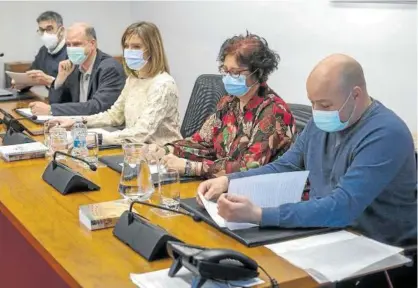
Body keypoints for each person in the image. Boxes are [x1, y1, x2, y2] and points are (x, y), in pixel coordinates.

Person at [197, 54, 417, 287]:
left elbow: (342, 206)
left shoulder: (385, 134)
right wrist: (229, 181)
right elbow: (287, 164)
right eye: (312, 102)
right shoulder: (323, 122)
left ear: (356, 95)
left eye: (325, 105)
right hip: (327, 235)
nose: (316, 111)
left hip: (382, 257)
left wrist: (259, 215)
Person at [149, 32, 295, 178]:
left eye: (235, 72)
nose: (228, 77)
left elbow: (249, 169)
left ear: (258, 72)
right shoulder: (229, 102)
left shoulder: (274, 112)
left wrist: (191, 167)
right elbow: (203, 143)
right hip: (223, 188)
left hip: (260, 193)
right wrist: (168, 150)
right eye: (225, 71)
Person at [49, 21, 182, 146]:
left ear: (152, 50)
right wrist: (76, 122)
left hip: (163, 156)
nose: (129, 51)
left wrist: (96, 138)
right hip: (134, 150)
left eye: (136, 46)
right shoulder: (133, 79)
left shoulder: (163, 84)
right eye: (126, 46)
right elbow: (114, 115)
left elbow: (141, 133)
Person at [29, 23, 125, 116]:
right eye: (68, 45)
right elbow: (57, 102)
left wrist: (51, 110)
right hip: (78, 125)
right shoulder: (73, 67)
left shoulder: (110, 68)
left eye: (76, 44)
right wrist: (59, 80)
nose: (71, 49)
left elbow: (98, 106)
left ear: (92, 44)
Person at [12, 11, 67, 90]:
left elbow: (73, 88)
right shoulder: (43, 51)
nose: (45, 34)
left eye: (49, 29)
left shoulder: (70, 51)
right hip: (50, 100)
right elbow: (30, 75)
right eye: (41, 30)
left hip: (68, 101)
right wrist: (20, 83)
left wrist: (48, 80)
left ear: (61, 31)